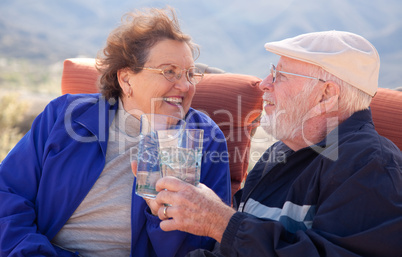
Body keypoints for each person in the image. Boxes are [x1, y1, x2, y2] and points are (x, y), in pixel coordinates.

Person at [0, 7, 231, 257]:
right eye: (169, 71)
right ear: (126, 79)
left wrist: (161, 215)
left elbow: (199, 248)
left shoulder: (205, 139)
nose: (185, 85)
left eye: (189, 74)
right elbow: (8, 193)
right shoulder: (66, 115)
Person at [150, 31, 402, 256]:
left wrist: (220, 222)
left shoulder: (371, 167)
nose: (264, 84)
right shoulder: (282, 152)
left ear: (326, 95)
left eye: (279, 75)